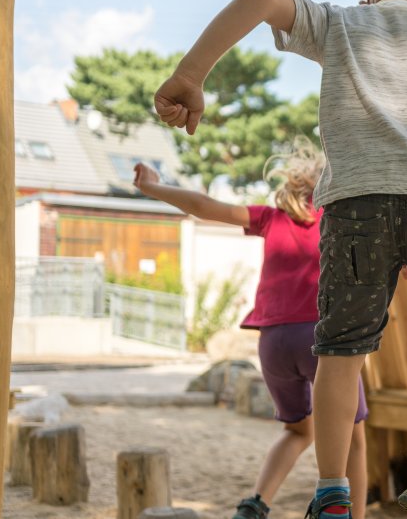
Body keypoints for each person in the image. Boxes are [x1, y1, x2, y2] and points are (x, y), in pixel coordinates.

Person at [151, 0, 407, 519]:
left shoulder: (341, 23)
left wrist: (190, 75)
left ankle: (330, 494)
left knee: (341, 350)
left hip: (355, 206)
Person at [132, 143, 369, 519]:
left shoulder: (270, 218)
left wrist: (153, 187)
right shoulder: (338, 219)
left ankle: (255, 505)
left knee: (298, 431)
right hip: (321, 340)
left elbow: (205, 206)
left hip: (273, 343)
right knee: (352, 437)